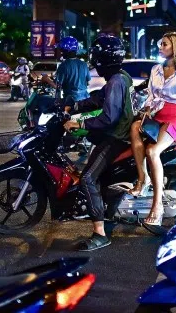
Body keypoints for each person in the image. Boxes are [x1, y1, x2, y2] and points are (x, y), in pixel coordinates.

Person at [61, 34, 134, 251]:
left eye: (96, 58)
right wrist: (73, 107)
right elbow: (98, 99)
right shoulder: (121, 77)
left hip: (116, 137)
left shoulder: (116, 81)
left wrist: (80, 125)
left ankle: (100, 233)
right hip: (120, 133)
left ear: (103, 59)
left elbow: (108, 118)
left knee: (87, 178)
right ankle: (106, 208)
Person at [130, 32, 176, 228]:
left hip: (175, 117)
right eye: (160, 44)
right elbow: (150, 95)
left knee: (152, 151)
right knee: (134, 127)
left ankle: (157, 206)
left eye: (164, 44)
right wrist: (147, 108)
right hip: (156, 114)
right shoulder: (156, 69)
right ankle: (142, 177)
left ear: (175, 47)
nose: (160, 47)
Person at [42, 36, 90, 104]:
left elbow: (57, 86)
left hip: (71, 102)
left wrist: (46, 79)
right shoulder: (84, 64)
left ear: (67, 50)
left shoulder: (64, 65)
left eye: (62, 50)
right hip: (85, 100)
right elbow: (87, 83)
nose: (61, 52)